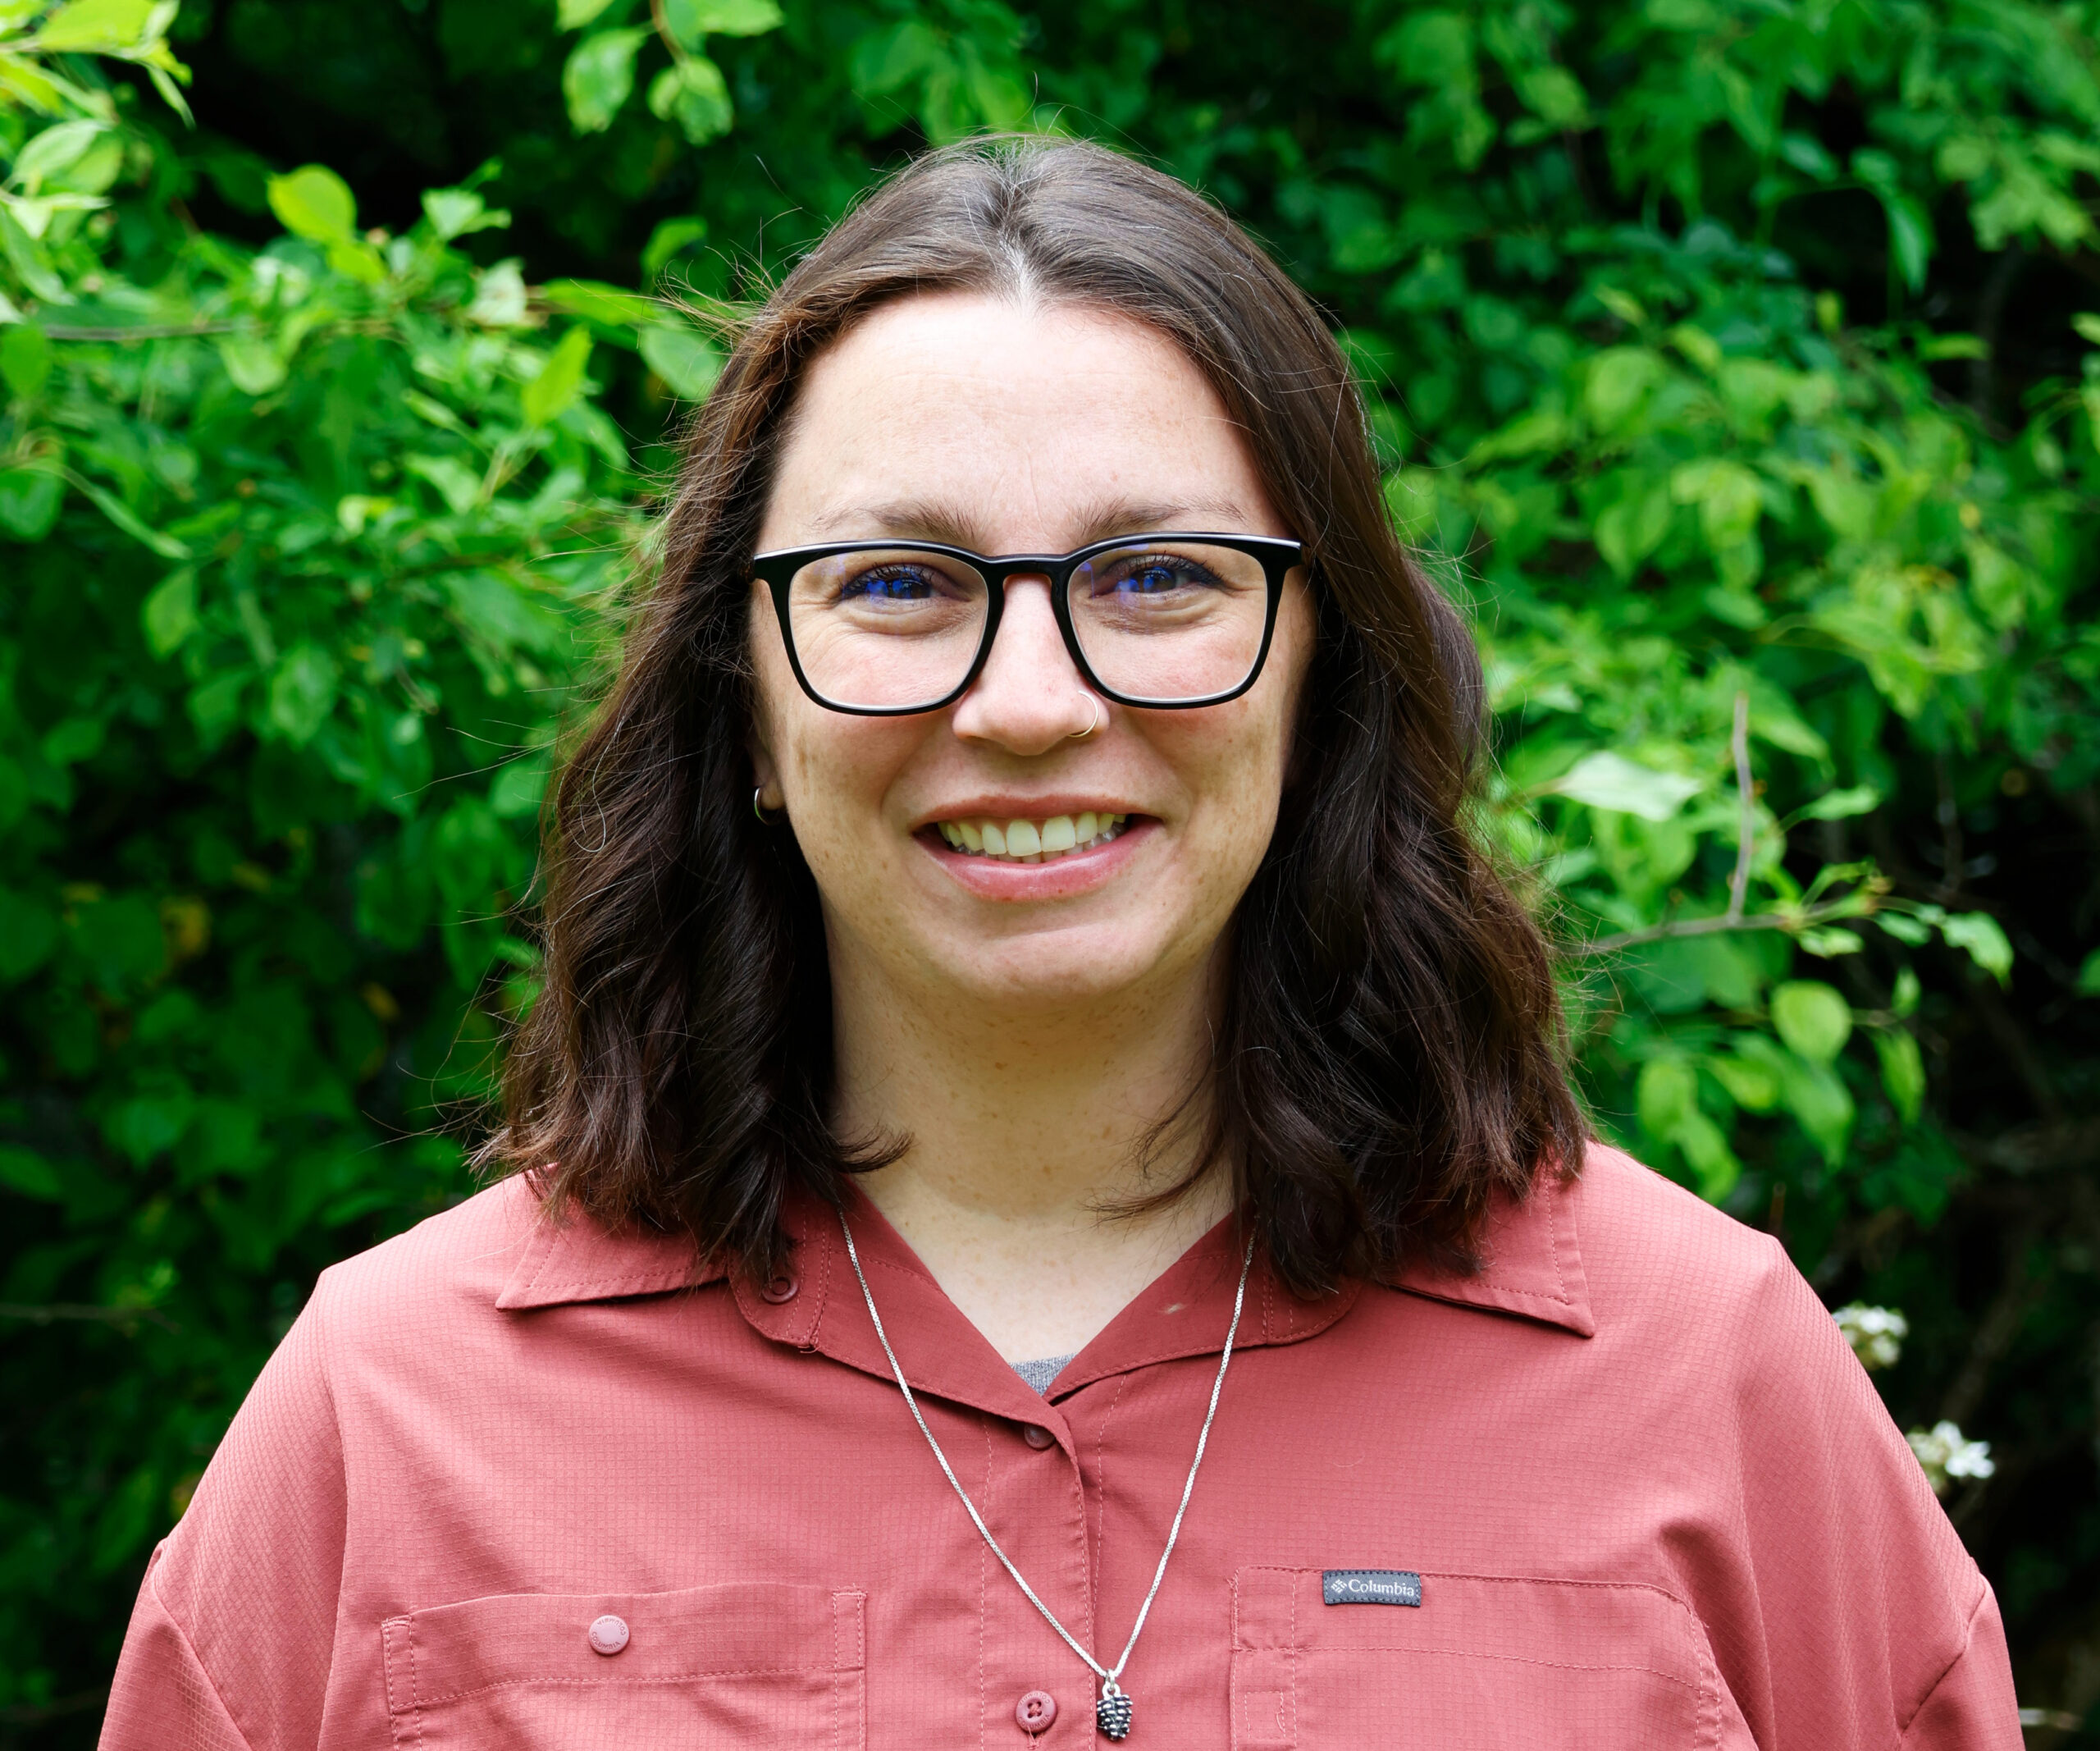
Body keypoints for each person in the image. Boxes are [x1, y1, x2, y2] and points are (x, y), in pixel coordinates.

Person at [100, 137, 2020, 1751]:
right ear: (742, 700)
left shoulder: (1706, 1375)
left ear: (1322, 667)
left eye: (1156, 576)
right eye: (897, 582)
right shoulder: (393, 1414)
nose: (1027, 699)